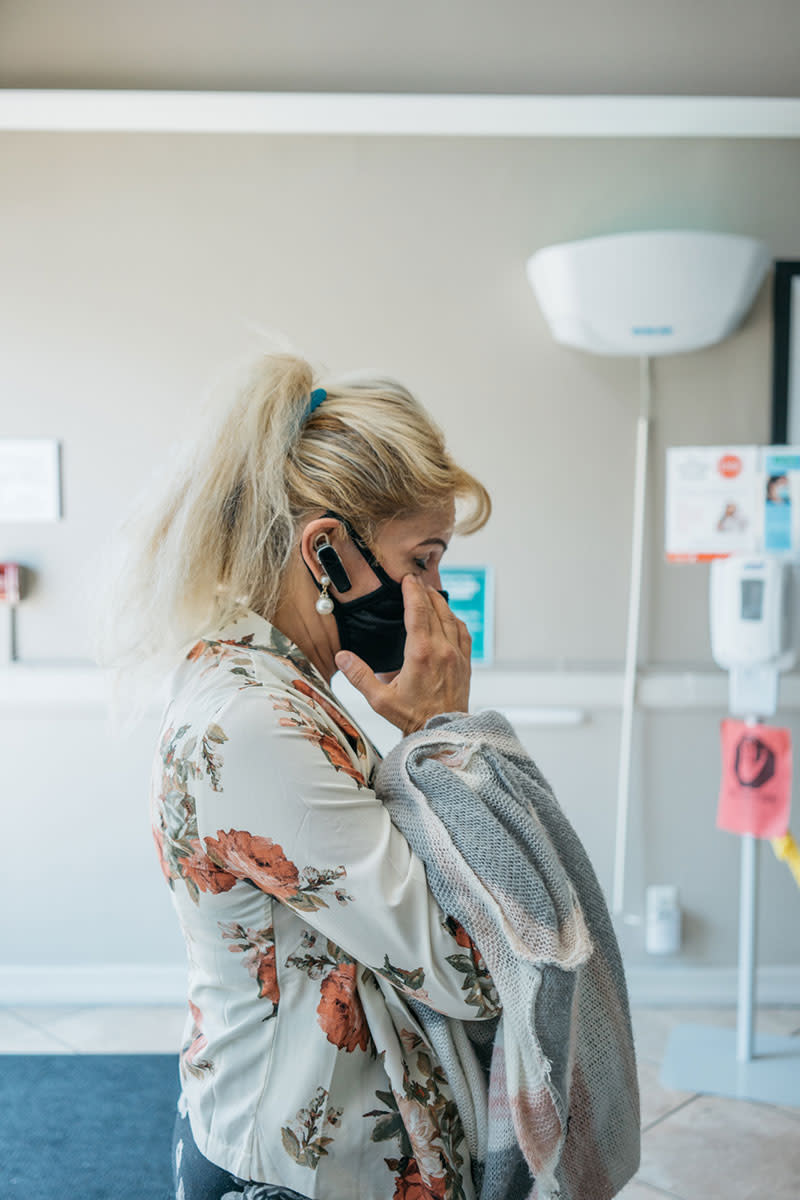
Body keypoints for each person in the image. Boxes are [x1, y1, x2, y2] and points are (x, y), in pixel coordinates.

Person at [99, 352, 498, 1200]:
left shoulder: (270, 684)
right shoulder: (255, 722)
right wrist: (443, 730)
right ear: (327, 553)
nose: (437, 594)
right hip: (294, 1173)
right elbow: (470, 969)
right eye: (422, 560)